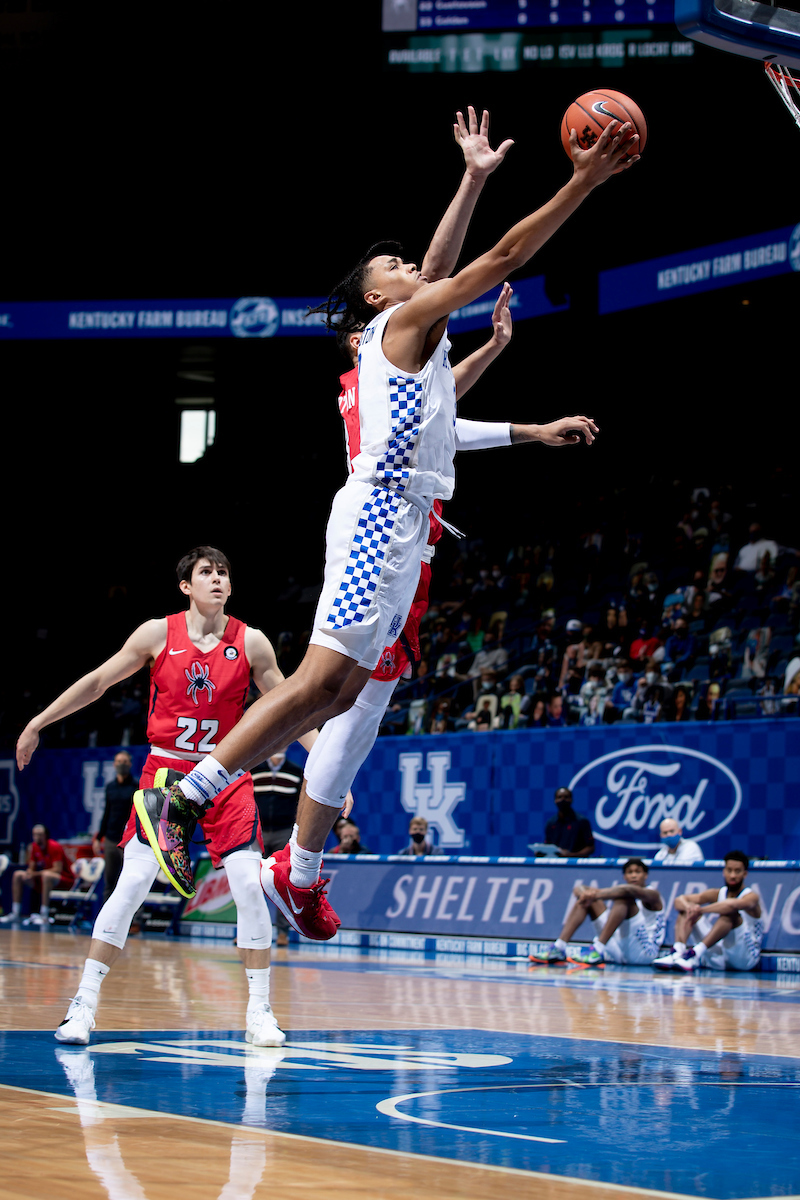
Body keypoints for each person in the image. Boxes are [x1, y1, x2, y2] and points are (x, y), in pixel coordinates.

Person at [130, 103, 637, 938]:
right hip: (377, 521)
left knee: (340, 693)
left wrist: (471, 177)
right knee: (317, 687)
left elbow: (438, 272)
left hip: (404, 523)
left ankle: (290, 860)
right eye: (396, 264)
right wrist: (582, 179)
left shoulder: (414, 334)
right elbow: (503, 255)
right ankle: (182, 801)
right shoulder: (401, 326)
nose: (414, 265)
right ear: (377, 295)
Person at [15, 546, 315, 1047]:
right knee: (132, 883)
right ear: (186, 586)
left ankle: (260, 1011)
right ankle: (83, 1005)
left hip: (225, 771)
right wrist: (38, 721)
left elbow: (291, 709)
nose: (217, 579)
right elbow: (97, 681)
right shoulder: (158, 633)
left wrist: (330, 775)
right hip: (166, 773)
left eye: (224, 573)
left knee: (247, 882)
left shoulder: (253, 642)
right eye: (207, 573)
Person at [530, 858, 665, 965]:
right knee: (586, 900)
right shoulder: (621, 889)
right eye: (630, 872)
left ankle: (598, 948)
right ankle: (559, 947)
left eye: (638, 872)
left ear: (646, 875)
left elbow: (628, 890)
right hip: (619, 948)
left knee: (624, 898)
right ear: (624, 876)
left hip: (644, 953)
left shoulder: (652, 894)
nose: (634, 875)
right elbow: (579, 889)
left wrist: (594, 894)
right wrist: (586, 894)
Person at [654, 850, 763, 971]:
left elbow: (731, 906)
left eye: (737, 871)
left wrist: (700, 910)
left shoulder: (751, 897)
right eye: (729, 870)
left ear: (745, 874)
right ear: (724, 872)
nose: (732, 875)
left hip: (745, 958)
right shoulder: (717, 893)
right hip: (721, 955)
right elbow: (679, 901)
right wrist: (689, 907)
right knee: (687, 909)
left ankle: (694, 953)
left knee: (730, 915)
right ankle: (678, 952)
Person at [251, 750, 304, 947]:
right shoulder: (255, 770)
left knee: (283, 882)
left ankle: (283, 932)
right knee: (253, 881)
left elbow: (303, 804)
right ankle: (252, 929)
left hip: (284, 832)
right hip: (258, 832)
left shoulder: (296, 771)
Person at [0, 824, 72, 926]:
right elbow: (32, 867)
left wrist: (35, 874)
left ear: (45, 835)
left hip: (64, 880)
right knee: (18, 874)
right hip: (42, 879)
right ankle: (16, 913)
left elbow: (57, 869)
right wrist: (29, 873)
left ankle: (44, 915)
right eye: (35, 834)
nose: (37, 837)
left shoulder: (54, 846)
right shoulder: (33, 846)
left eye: (40, 834)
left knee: (46, 875)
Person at [93, 751, 139, 907]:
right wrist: (99, 837)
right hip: (112, 839)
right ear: (114, 764)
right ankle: (106, 919)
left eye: (125, 761)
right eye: (119, 761)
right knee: (110, 880)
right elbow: (106, 812)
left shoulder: (137, 786)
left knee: (131, 880)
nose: (122, 764)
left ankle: (135, 920)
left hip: (130, 839)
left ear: (130, 764)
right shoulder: (110, 787)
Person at [544, 787, 595, 858]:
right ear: (555, 800)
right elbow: (548, 846)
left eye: (566, 797)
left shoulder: (581, 821)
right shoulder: (551, 823)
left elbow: (590, 848)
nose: (562, 800)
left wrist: (571, 855)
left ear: (571, 800)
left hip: (576, 865)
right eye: (559, 797)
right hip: (556, 865)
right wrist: (542, 852)